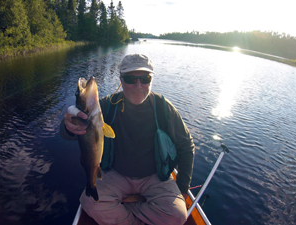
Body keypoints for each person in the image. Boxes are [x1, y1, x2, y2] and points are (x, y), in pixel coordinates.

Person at [60, 53, 195, 225]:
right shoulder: (107, 106)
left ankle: (123, 214)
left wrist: (182, 188)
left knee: (178, 216)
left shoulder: (163, 108)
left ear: (151, 80)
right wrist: (68, 125)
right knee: (89, 203)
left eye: (145, 78)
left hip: (154, 177)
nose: (139, 86)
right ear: (121, 80)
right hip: (116, 174)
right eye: (131, 78)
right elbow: (67, 133)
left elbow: (187, 146)